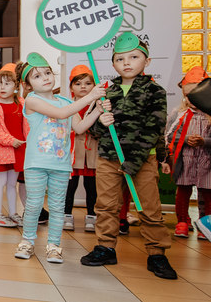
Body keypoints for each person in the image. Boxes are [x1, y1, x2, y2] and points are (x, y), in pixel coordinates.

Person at [82, 33, 177, 279]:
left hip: (141, 159)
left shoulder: (155, 91)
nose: (127, 62)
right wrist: (101, 121)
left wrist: (133, 162)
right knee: (105, 205)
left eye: (134, 57)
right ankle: (105, 247)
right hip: (108, 156)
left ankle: (157, 254)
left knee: (149, 207)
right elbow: (92, 129)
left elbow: (154, 128)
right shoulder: (106, 92)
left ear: (147, 61)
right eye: (120, 58)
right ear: (113, 64)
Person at [12, 54, 103, 263]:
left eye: (47, 73)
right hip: (36, 163)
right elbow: (61, 114)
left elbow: (79, 127)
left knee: (57, 206)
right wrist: (89, 97)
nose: (44, 78)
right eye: (37, 76)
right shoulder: (33, 100)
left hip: (61, 165)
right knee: (34, 204)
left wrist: (97, 110)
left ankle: (54, 245)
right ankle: (27, 242)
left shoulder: (66, 101)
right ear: (27, 85)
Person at [166, 65, 211, 239]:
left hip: (207, 162)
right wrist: (185, 140)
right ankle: (182, 222)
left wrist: (203, 142)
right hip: (185, 161)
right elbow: (170, 136)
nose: (192, 100)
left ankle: (205, 225)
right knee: (183, 192)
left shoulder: (209, 116)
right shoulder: (179, 114)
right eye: (188, 95)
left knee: (207, 194)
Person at [0, 63, 26, 227]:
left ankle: (13, 213)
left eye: (7, 83)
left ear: (16, 86)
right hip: (1, 150)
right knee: (0, 182)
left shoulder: (22, 103)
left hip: (19, 150)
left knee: (12, 184)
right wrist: (10, 141)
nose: (2, 87)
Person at [64, 65, 100, 232]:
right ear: (71, 87)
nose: (83, 87)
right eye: (78, 84)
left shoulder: (99, 105)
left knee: (91, 186)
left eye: (87, 83)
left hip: (93, 151)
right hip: (72, 152)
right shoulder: (68, 105)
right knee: (69, 186)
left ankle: (92, 216)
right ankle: (66, 215)